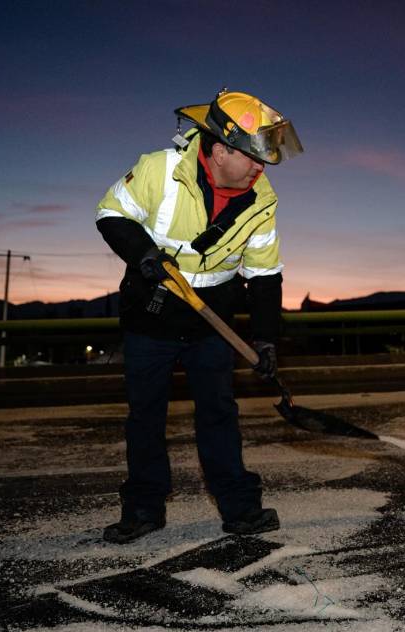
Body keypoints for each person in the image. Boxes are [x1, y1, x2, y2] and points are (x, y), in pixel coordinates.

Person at [94, 89, 302, 543]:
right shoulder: (158, 170)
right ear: (222, 150)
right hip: (152, 314)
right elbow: (111, 213)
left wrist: (266, 338)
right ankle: (143, 510)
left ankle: (241, 509)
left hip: (213, 321)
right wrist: (142, 253)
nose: (260, 167)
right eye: (252, 156)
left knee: (218, 414)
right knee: (146, 416)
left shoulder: (261, 198)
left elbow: (265, 275)